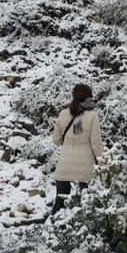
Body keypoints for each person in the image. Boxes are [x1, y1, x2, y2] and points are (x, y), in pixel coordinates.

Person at [50, 83, 103, 215]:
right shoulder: (92, 116)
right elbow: (96, 143)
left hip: (64, 165)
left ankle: (53, 229)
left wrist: (68, 142)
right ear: (89, 97)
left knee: (60, 204)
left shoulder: (63, 114)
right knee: (87, 204)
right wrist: (102, 163)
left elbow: (56, 140)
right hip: (86, 167)